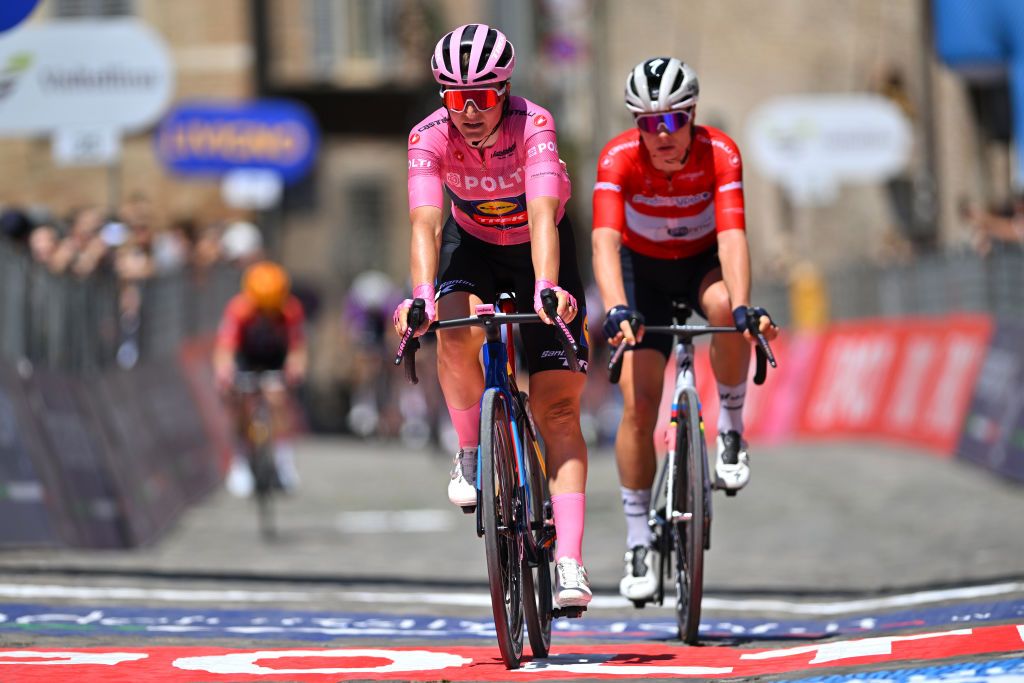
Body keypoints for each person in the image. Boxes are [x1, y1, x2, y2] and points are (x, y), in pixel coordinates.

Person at [392, 23, 592, 609]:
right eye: (457, 98)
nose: (470, 110)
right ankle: (471, 450)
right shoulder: (427, 136)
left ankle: (571, 562)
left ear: (504, 91)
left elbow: (540, 214)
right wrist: (422, 295)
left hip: (539, 245)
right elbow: (427, 223)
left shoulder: (535, 125)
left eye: (481, 97)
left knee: (557, 407)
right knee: (453, 328)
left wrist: (549, 287)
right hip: (471, 242)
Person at [591, 57, 779, 602]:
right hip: (641, 273)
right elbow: (604, 241)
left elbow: (733, 236)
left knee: (723, 309)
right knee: (637, 405)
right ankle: (636, 543)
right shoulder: (618, 158)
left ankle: (732, 431)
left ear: (692, 115)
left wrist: (742, 306)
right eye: (647, 123)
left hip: (700, 264)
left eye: (672, 121)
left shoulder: (721, 153)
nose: (661, 135)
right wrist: (617, 308)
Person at [214, 260, 307, 496]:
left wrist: (295, 369)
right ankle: (240, 460)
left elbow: (297, 348)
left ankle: (282, 458)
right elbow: (225, 349)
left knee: (277, 398)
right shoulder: (238, 309)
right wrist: (225, 374)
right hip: (247, 356)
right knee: (238, 401)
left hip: (275, 356)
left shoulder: (290, 309)